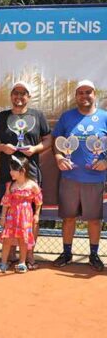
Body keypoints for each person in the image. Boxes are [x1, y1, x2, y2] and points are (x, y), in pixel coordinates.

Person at [0, 81, 51, 269]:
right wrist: (1, 147)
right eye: (16, 93)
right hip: (8, 175)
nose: (19, 97)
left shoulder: (38, 116)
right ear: (11, 96)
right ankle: (13, 253)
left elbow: (48, 139)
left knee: (31, 216)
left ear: (29, 97)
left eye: (23, 93)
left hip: (31, 174)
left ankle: (29, 254)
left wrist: (36, 148)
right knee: (10, 215)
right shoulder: (1, 117)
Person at [52, 79, 107, 271]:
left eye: (88, 92)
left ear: (94, 94)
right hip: (70, 178)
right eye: (80, 92)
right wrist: (59, 158)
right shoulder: (67, 117)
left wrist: (105, 162)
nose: (84, 96)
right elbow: (56, 142)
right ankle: (67, 253)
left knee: (94, 220)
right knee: (68, 218)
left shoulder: (104, 117)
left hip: (95, 179)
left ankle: (93, 255)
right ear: (76, 96)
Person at [0, 155, 42, 273]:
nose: (10, 172)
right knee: (7, 240)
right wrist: (3, 217)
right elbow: (6, 202)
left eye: (13, 170)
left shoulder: (32, 185)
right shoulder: (10, 185)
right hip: (12, 216)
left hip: (26, 217)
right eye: (10, 169)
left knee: (23, 240)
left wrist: (37, 214)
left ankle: (22, 262)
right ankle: (3, 262)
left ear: (22, 171)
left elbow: (38, 201)